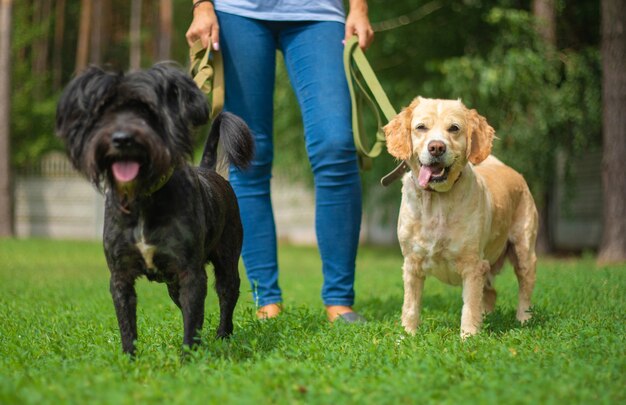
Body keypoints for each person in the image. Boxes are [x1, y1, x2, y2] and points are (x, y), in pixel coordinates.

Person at [186, 0, 374, 322]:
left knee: (336, 145)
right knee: (248, 154)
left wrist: (359, 7)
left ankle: (340, 301)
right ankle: (266, 299)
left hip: (318, 13)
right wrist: (201, 5)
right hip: (238, 11)